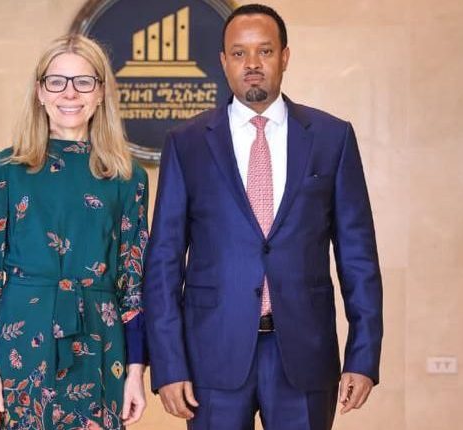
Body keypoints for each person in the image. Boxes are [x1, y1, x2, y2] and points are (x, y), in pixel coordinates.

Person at [144, 4, 383, 429]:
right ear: (223, 61)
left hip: (305, 355)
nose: (252, 64)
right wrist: (168, 363)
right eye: (239, 53)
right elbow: (163, 260)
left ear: (285, 57)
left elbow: (358, 258)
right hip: (211, 357)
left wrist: (362, 357)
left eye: (265, 51)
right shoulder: (187, 143)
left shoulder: (332, 137)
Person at [0, 34, 148, 430]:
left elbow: (135, 281)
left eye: (83, 82)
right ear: (40, 92)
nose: (69, 93)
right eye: (56, 81)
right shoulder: (6, 169)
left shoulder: (128, 177)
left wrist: (136, 372)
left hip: (101, 341)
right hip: (20, 339)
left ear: (101, 93)